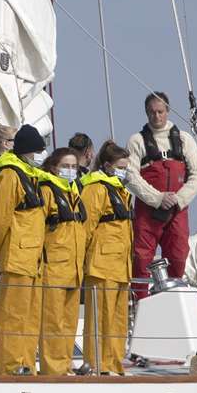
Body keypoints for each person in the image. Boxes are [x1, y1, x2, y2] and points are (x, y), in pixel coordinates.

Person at [126, 91, 197, 293]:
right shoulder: (137, 141)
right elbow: (130, 176)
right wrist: (158, 198)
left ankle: (174, 296)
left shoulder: (184, 139)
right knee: (142, 257)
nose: (157, 116)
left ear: (168, 111)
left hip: (178, 209)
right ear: (146, 113)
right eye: (152, 112)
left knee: (178, 255)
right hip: (148, 210)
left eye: (160, 112)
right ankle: (140, 302)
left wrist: (178, 199)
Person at [0, 125, 49, 374]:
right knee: (13, 315)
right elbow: (0, 218)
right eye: (38, 151)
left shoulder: (30, 175)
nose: (41, 156)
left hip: (32, 257)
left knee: (30, 316)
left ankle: (25, 362)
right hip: (16, 255)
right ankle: (10, 366)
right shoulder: (9, 176)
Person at [80, 141, 134, 375]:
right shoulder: (96, 189)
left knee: (119, 319)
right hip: (102, 265)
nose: (124, 171)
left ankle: (114, 362)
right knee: (100, 318)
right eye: (120, 167)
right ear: (107, 165)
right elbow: (85, 227)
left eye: (126, 167)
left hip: (120, 265)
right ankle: (97, 362)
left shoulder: (121, 191)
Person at [38, 148, 88, 375]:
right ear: (53, 167)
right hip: (54, 267)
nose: (70, 171)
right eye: (65, 166)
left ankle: (65, 363)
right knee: (53, 322)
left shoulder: (74, 192)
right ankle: (53, 368)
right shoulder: (47, 191)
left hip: (74, 268)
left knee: (69, 322)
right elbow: (37, 228)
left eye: (74, 167)